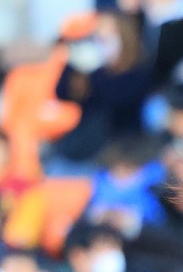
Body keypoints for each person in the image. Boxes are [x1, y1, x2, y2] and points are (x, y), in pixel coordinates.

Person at [54, 10, 155, 166]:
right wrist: (74, 63)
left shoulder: (138, 71)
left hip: (124, 149)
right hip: (85, 147)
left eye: (110, 31)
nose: (103, 37)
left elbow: (116, 98)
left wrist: (96, 70)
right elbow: (61, 93)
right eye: (99, 31)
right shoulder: (89, 71)